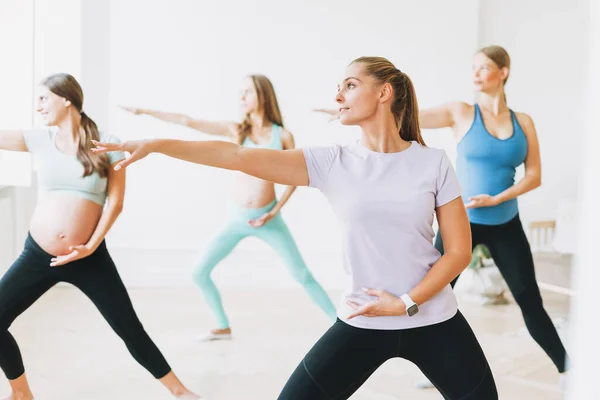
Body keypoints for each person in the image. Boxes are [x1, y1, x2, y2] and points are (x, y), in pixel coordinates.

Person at [93, 56, 498, 399]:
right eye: (338, 87)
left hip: (435, 320)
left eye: (350, 85)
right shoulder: (332, 161)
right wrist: (159, 144)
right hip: (362, 319)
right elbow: (234, 155)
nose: (338, 96)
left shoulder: (433, 162)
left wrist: (405, 302)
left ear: (383, 93)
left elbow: (458, 252)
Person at [0, 73, 200, 399]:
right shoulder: (39, 139)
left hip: (89, 257)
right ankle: (21, 392)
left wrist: (90, 246)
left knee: (129, 329)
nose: (38, 107)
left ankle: (181, 392)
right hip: (38, 255)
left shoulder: (107, 142)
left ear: (66, 99)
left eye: (43, 99)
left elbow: (116, 202)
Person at [120, 74, 336, 341]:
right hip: (236, 218)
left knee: (302, 274)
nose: (241, 98)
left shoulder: (283, 136)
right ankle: (222, 325)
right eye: (240, 93)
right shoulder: (237, 130)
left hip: (268, 219)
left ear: (263, 95)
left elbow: (295, 177)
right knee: (199, 270)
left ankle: (339, 323)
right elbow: (189, 122)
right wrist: (144, 111)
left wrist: (274, 210)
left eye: (247, 92)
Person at [418, 45, 569, 387]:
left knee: (530, 299)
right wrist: (368, 105)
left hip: (505, 223)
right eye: (473, 67)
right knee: (436, 295)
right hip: (461, 224)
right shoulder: (460, 112)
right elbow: (411, 114)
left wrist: (498, 198)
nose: (475, 74)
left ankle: (567, 369)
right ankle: (433, 369)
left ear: (503, 72)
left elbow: (534, 175)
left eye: (484, 67)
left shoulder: (523, 121)